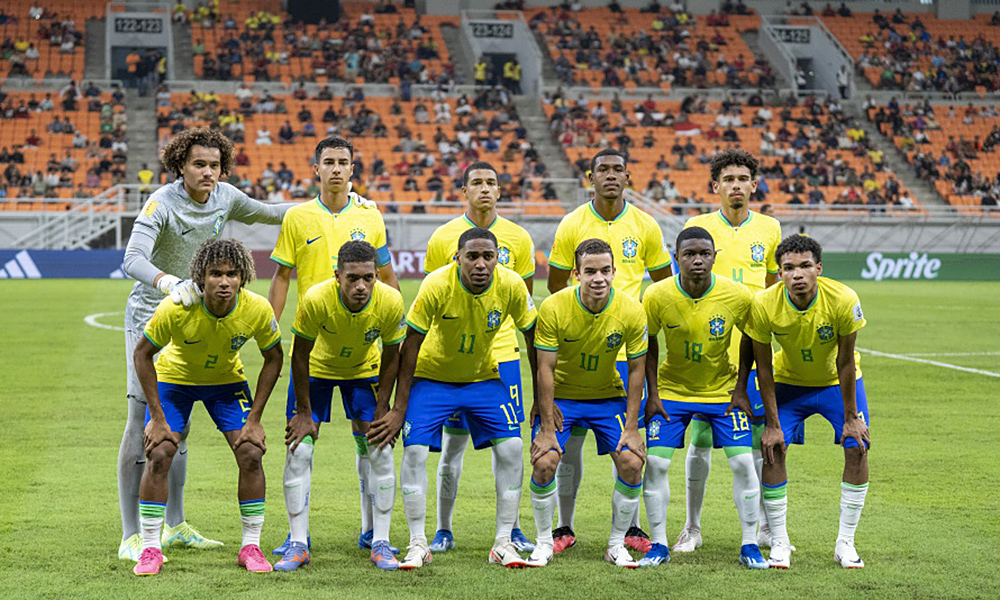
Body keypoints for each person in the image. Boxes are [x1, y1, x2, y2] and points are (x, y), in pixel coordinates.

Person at [119, 127, 291, 563]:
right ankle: (131, 534)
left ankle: (174, 525)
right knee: (145, 421)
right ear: (180, 165)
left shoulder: (226, 196)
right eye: (199, 164)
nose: (208, 172)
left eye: (214, 165)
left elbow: (273, 212)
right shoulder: (160, 203)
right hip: (154, 311)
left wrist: (331, 207)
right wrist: (171, 283)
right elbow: (132, 259)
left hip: (203, 306)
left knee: (182, 430)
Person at [367, 228, 538, 570]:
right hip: (432, 380)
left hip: (481, 378)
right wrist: (398, 408)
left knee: (513, 449)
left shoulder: (512, 284)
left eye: (488, 257)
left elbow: (534, 339)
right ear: (456, 258)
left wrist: (543, 405)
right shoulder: (437, 284)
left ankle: (503, 542)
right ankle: (418, 543)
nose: (480, 264)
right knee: (415, 452)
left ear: (497, 258)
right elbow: (410, 345)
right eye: (472, 256)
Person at [268, 137, 398, 557]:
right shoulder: (298, 216)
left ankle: (373, 533)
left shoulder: (371, 215)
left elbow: (386, 273)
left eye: (344, 162)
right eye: (330, 162)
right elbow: (282, 274)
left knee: (371, 442)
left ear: (353, 169)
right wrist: (270, 325)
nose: (337, 169)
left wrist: (395, 314)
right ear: (316, 169)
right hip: (316, 346)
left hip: (364, 353)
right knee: (298, 445)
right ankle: (297, 540)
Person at [131, 239, 284, 575]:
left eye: (232, 274)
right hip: (175, 382)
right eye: (216, 273)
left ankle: (251, 546)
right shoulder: (176, 307)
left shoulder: (257, 309)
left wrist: (255, 419)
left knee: (251, 452)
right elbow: (141, 354)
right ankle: (151, 548)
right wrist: (156, 417)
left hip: (226, 384)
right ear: (201, 276)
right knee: (159, 452)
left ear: (243, 277)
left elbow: (274, 357)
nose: (224, 281)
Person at [546, 148, 671, 554]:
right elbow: (555, 285)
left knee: (629, 444)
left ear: (628, 176)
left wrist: (627, 318)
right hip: (582, 344)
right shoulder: (572, 223)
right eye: (603, 169)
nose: (611, 176)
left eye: (618, 169)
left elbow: (663, 284)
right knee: (572, 444)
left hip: (628, 341)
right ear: (590, 177)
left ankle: (631, 527)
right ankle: (563, 525)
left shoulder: (646, 224)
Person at [421, 162, 536, 554]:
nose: (484, 189)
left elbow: (523, 298)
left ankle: (513, 527)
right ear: (464, 190)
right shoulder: (443, 237)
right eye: (477, 183)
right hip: (454, 357)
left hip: (503, 355)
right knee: (452, 447)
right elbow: (436, 294)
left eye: (491, 183)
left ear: (500, 190)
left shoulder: (519, 238)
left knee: (508, 443)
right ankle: (442, 528)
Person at [673, 149, 783, 554]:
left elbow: (773, 288)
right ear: (715, 186)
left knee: (757, 441)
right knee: (699, 439)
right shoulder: (697, 226)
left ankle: (766, 528)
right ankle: (692, 527)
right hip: (710, 348)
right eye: (728, 179)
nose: (736, 185)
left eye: (743, 178)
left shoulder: (770, 228)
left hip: (754, 347)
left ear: (754, 185)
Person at [640, 227, 768, 569]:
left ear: (714, 256)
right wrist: (652, 394)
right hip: (671, 392)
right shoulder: (656, 295)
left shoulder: (736, 294)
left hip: (721, 392)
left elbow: (753, 339)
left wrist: (741, 387)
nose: (698, 260)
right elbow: (648, 345)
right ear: (676, 258)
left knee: (742, 463)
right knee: (656, 463)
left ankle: (750, 544)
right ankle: (659, 543)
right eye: (689, 254)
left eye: (705, 254)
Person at [277, 241, 406, 571]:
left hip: (363, 373)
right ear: (338, 276)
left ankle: (378, 540)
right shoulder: (317, 298)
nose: (361, 286)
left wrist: (383, 408)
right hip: (317, 372)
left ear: (377, 275)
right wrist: (304, 413)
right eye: (352, 278)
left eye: (368, 278)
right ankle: (297, 542)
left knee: (378, 449)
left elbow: (393, 357)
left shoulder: (390, 301)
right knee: (299, 450)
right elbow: (300, 355)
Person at [746, 234, 870, 569]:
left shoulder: (843, 299)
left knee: (857, 445)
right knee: (772, 448)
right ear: (779, 272)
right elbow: (764, 367)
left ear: (819, 268)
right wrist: (771, 424)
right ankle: (780, 542)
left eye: (804, 266)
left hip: (837, 383)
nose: (797, 274)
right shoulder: (764, 303)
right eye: (788, 268)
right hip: (789, 383)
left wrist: (850, 417)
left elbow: (845, 361)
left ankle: (846, 543)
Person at [527, 239, 648, 569]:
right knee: (544, 462)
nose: (599, 278)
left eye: (605, 271)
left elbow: (637, 370)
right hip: (563, 398)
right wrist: (547, 426)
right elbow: (544, 368)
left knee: (633, 463)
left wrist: (634, 428)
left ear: (614, 272)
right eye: (590, 271)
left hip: (607, 397)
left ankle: (615, 544)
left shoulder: (631, 309)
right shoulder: (553, 307)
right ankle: (542, 543)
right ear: (576, 273)